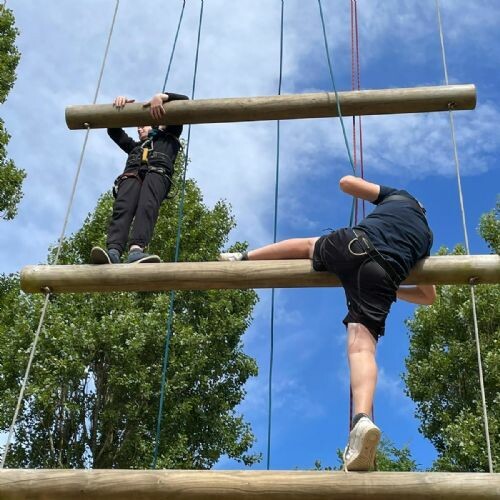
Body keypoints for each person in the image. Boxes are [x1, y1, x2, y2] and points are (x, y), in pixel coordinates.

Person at [219, 175, 436, 471]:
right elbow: (428, 296)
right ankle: (362, 420)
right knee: (362, 349)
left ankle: (243, 258)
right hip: (383, 275)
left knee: (310, 245)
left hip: (354, 244)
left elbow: (346, 183)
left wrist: (375, 195)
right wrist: (393, 288)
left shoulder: (397, 196)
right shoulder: (426, 237)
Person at [91, 91, 188, 265]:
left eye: (143, 125)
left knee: (147, 206)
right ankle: (113, 251)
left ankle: (136, 250)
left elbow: (184, 102)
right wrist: (120, 108)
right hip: (132, 176)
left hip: (157, 173)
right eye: (137, 127)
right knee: (123, 206)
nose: (138, 129)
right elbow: (114, 131)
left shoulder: (169, 136)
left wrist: (162, 97)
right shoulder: (134, 147)